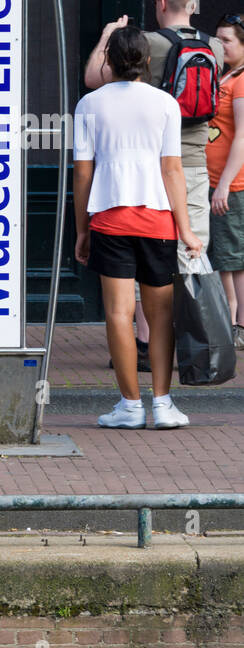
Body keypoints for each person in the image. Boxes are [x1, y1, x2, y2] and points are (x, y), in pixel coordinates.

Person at [84, 0, 225, 367]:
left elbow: (95, 80)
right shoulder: (214, 45)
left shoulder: (151, 44)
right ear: (192, 4)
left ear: (161, 3)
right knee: (187, 251)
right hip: (193, 163)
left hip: (148, 167)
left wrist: (108, 36)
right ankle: (196, 340)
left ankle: (146, 344)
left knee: (144, 256)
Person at [73, 26, 203, 429]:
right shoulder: (165, 103)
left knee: (117, 313)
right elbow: (172, 170)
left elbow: (82, 173)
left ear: (109, 60)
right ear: (147, 61)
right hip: (157, 220)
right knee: (161, 316)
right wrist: (185, 228)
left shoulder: (89, 105)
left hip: (110, 219)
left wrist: (82, 229)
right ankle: (163, 404)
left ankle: (129, 406)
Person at [207, 13, 244, 349]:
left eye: (227, 40)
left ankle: (236, 323)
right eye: (216, 39)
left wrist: (224, 184)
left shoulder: (242, 81)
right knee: (228, 256)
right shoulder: (223, 75)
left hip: (230, 184)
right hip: (216, 181)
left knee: (231, 256)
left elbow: (243, 136)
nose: (219, 45)